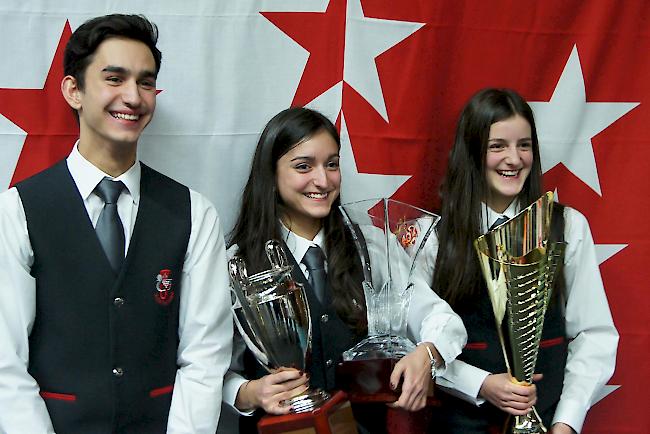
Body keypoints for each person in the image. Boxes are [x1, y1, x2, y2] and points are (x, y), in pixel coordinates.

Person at [0, 14, 232, 433]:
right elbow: (4, 365)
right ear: (74, 90)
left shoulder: (194, 213)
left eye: (146, 82)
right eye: (114, 78)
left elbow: (205, 356)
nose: (134, 97)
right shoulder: (16, 211)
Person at [217, 107, 467, 433]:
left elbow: (441, 319)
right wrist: (249, 393)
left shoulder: (372, 245)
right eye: (303, 166)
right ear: (271, 175)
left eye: (332, 164)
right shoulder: (237, 264)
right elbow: (206, 366)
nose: (322, 180)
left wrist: (428, 355)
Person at [420, 88, 619, 433]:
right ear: (471, 152)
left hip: (550, 420)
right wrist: (479, 383)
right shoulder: (432, 235)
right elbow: (413, 344)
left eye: (524, 145)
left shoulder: (567, 226)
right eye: (497, 146)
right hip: (459, 424)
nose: (514, 159)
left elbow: (594, 334)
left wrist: (566, 422)